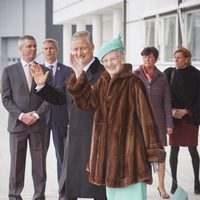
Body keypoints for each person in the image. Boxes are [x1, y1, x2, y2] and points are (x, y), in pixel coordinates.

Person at [31, 35, 166, 200]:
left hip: (128, 153)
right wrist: (49, 84)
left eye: (113, 59)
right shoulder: (98, 79)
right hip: (102, 151)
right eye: (106, 60)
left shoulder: (131, 81)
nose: (109, 63)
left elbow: (147, 119)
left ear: (121, 58)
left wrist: (153, 151)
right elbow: (83, 101)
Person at [33, 31, 107, 200]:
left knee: (98, 192)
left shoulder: (103, 74)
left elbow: (91, 101)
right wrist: (42, 86)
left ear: (92, 47)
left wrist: (80, 75)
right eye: (75, 49)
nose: (79, 53)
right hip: (73, 140)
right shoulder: (74, 72)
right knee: (68, 189)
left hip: (94, 141)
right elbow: (60, 97)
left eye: (83, 48)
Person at [1, 35, 50, 200]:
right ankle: (14, 196)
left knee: (39, 167)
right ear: (20, 49)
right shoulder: (9, 71)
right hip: (17, 125)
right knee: (16, 166)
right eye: (29, 46)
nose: (33, 49)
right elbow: (6, 99)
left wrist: (36, 115)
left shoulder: (43, 70)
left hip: (38, 125)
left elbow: (49, 98)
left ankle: (39, 197)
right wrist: (22, 116)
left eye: (35, 46)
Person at [134, 47, 173, 199]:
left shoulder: (162, 77)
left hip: (159, 123)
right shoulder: (134, 75)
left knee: (161, 155)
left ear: (155, 59)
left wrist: (169, 124)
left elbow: (167, 102)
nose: (147, 60)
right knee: (140, 155)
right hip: (139, 122)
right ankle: (139, 187)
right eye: (144, 57)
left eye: (150, 57)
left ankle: (162, 187)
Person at [164, 47, 200, 195]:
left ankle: (197, 183)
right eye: (175, 58)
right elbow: (165, 94)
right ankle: (174, 183)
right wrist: (172, 111)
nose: (176, 61)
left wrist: (187, 111)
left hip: (191, 117)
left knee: (192, 149)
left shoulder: (197, 75)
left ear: (187, 58)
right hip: (175, 118)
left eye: (179, 58)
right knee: (174, 149)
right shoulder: (169, 73)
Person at [42, 38, 71, 198]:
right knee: (39, 159)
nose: (48, 51)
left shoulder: (67, 71)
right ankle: (39, 193)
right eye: (45, 48)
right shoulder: (36, 70)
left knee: (62, 157)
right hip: (41, 120)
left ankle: (63, 193)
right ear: (43, 51)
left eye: (51, 48)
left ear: (57, 50)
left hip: (61, 119)